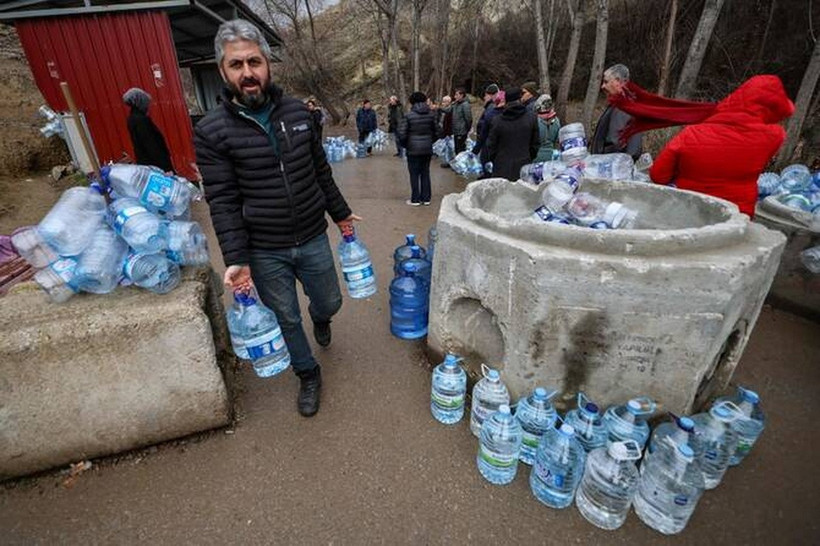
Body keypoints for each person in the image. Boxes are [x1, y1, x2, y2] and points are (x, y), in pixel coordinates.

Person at [194, 19, 360, 417]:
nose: (248, 73)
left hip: (312, 236)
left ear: (268, 64)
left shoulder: (299, 112)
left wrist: (341, 215)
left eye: (254, 61)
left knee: (330, 300)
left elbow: (320, 171)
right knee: (286, 316)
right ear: (223, 70)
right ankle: (307, 374)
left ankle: (321, 319)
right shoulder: (211, 131)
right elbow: (223, 200)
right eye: (237, 65)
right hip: (264, 248)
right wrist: (237, 258)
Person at [649, 75, 794, 218]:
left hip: (689, 213)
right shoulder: (774, 136)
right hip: (736, 217)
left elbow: (658, 175)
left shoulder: (691, 133)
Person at [486, 87, 539, 181]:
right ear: (519, 99)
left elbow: (491, 145)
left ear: (506, 100)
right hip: (523, 164)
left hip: (501, 166)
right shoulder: (531, 118)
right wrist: (528, 157)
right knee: (520, 194)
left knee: (501, 194)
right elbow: (535, 144)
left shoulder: (497, 121)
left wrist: (496, 159)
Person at [590, 64, 643, 159]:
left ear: (618, 82)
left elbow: (614, 143)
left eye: (606, 82)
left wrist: (598, 163)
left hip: (611, 169)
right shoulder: (621, 104)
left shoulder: (624, 106)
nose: (602, 86)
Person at [397, 92, 438, 206]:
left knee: (414, 174)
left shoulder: (408, 116)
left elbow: (401, 134)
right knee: (425, 173)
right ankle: (426, 198)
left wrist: (406, 145)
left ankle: (415, 199)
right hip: (427, 149)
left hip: (413, 149)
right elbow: (438, 131)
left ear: (412, 102)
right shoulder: (431, 115)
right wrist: (430, 141)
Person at [122, 87, 173, 172]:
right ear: (140, 102)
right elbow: (151, 144)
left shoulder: (132, 118)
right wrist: (166, 168)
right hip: (155, 165)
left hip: (146, 163)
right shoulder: (141, 120)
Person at [472, 84, 501, 175]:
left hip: (488, 143)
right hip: (487, 142)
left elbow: (487, 127)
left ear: (491, 95)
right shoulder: (490, 107)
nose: (484, 98)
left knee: (486, 165)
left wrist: (477, 148)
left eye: (485, 95)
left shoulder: (491, 108)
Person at [534, 94, 561, 162]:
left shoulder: (535, 121)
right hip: (552, 156)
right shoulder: (556, 120)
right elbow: (557, 140)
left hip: (536, 156)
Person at [451, 88, 472, 155]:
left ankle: (460, 164)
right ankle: (457, 164)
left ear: (462, 95)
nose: (455, 96)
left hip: (461, 132)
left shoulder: (465, 105)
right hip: (456, 131)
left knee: (461, 150)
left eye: (457, 95)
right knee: (457, 149)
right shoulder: (455, 104)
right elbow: (448, 110)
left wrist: (466, 129)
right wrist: (438, 108)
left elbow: (468, 119)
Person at [436, 95, 453, 168]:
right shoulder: (443, 110)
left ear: (448, 102)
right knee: (447, 147)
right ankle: (447, 161)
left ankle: (450, 162)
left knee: (450, 148)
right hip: (443, 130)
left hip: (449, 132)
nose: (443, 103)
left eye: (444, 101)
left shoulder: (450, 110)